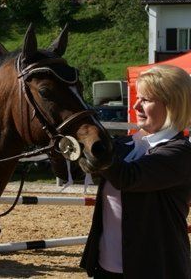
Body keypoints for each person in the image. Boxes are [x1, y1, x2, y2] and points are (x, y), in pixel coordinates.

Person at [81, 64, 191, 278]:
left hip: (157, 268)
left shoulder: (181, 152)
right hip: (106, 266)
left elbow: (127, 177)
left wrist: (93, 141)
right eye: (138, 98)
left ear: (172, 105)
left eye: (146, 100)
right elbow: (85, 170)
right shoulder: (125, 144)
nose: (136, 106)